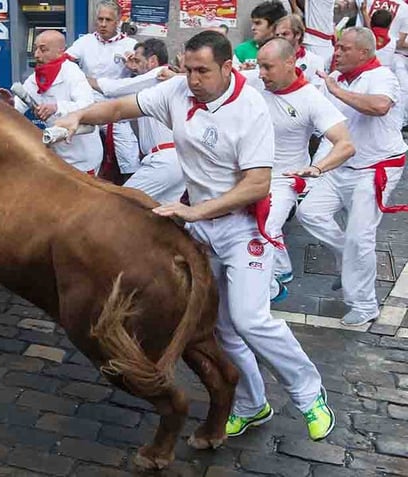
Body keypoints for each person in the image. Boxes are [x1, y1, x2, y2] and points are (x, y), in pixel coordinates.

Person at [56, 30, 335, 443]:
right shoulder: (177, 92)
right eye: (188, 69)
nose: (193, 79)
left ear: (226, 67)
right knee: (219, 328)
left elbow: (258, 184)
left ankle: (310, 393)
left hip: (242, 226)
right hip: (201, 226)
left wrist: (196, 211)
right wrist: (79, 117)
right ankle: (251, 405)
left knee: (249, 318)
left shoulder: (250, 107)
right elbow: (120, 106)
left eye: (202, 70)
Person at [297, 27, 408, 326]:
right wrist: (315, 168)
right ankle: (347, 258)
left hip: (376, 167)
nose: (337, 52)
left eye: (345, 48)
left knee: (361, 237)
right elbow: (324, 129)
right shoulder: (332, 80)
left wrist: (337, 91)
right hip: (340, 166)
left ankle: (364, 304)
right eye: (337, 47)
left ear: (364, 52)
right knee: (309, 212)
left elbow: (379, 106)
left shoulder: (382, 76)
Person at [241, 38, 354, 300]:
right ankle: (281, 270)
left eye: (268, 67)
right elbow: (222, 75)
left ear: (290, 62)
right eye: (259, 66)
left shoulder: (311, 98)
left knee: (264, 228)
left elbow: (345, 144)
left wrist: (317, 167)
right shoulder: (256, 80)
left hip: (284, 179)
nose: (261, 74)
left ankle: (271, 289)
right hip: (249, 174)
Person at [0, 30, 102, 175]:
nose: (36, 55)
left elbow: (87, 106)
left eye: (43, 50)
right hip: (57, 154)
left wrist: (56, 107)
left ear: (60, 51)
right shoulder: (36, 78)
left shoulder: (72, 73)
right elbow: (19, 107)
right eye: (35, 48)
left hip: (82, 157)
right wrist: (10, 104)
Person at [95, 38, 186, 204]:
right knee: (165, 218)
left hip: (164, 159)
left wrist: (80, 78)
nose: (134, 66)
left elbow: (112, 89)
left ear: (152, 61)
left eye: (138, 60)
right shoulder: (162, 83)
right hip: (175, 160)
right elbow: (123, 115)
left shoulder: (158, 75)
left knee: (120, 203)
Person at [66, 0, 139, 179]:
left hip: (116, 109)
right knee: (77, 145)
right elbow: (66, 62)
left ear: (118, 21)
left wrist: (134, 67)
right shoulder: (84, 41)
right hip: (87, 105)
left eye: (108, 20)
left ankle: (127, 186)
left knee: (128, 154)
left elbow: (144, 74)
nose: (103, 24)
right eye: (100, 19)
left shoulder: (130, 44)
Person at [275, 14, 326, 86]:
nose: (280, 38)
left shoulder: (315, 61)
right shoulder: (270, 59)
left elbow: (317, 90)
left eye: (285, 34)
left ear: (298, 34)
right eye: (277, 35)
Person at [234, 1, 288, 66]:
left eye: (258, 23)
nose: (252, 28)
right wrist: (243, 73)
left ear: (274, 26)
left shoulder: (288, 50)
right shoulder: (242, 50)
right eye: (253, 23)